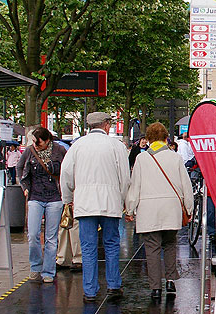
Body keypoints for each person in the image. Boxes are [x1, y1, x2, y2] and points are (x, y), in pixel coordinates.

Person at [60, 112, 131, 302]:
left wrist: (68, 198)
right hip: (110, 202)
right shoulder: (116, 146)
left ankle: (90, 291)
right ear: (107, 125)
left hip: (85, 203)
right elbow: (125, 178)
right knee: (111, 244)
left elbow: (66, 174)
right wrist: (123, 200)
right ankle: (113, 285)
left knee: (88, 247)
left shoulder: (77, 146)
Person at [125, 122, 194, 300]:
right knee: (170, 244)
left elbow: (135, 187)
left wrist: (130, 209)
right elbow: (186, 185)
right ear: (166, 139)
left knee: (152, 248)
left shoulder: (141, 159)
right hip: (171, 209)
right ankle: (170, 280)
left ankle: (155, 288)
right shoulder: (175, 157)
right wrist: (189, 207)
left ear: (148, 139)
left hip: (148, 210)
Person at [18, 127, 66, 284]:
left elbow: (66, 171)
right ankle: (35, 266)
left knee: (51, 237)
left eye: (39, 143)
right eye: (34, 142)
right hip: (35, 196)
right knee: (33, 234)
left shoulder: (59, 150)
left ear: (48, 141)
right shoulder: (30, 151)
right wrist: (24, 187)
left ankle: (48, 271)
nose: (36, 146)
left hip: (54, 197)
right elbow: (20, 167)